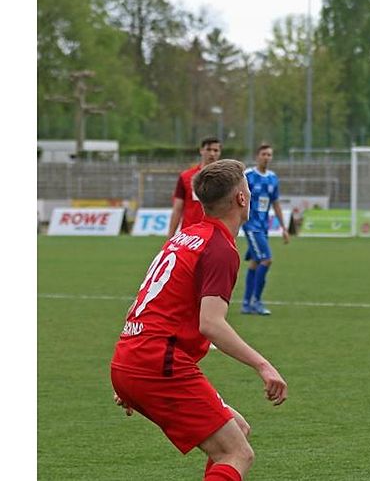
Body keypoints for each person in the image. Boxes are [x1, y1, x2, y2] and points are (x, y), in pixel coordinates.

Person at [110, 159, 288, 481]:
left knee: (238, 431)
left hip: (132, 357)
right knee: (237, 453)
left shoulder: (186, 236)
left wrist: (130, 377)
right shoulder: (219, 247)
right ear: (241, 198)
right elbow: (212, 323)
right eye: (246, 187)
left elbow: (149, 301)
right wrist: (263, 365)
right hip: (157, 363)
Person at [241, 144, 290, 316]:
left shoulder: (272, 178)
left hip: (263, 226)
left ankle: (246, 303)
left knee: (256, 262)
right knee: (267, 259)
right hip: (251, 225)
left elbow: (275, 203)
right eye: (264, 154)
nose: (267, 157)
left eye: (270, 154)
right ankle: (256, 301)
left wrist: (283, 227)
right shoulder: (247, 176)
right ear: (257, 156)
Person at [168, 136, 222, 238]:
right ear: (201, 151)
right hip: (189, 234)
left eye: (216, 150)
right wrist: (170, 235)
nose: (212, 154)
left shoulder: (224, 179)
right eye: (209, 149)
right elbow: (177, 208)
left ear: (220, 153)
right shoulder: (186, 177)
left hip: (214, 234)